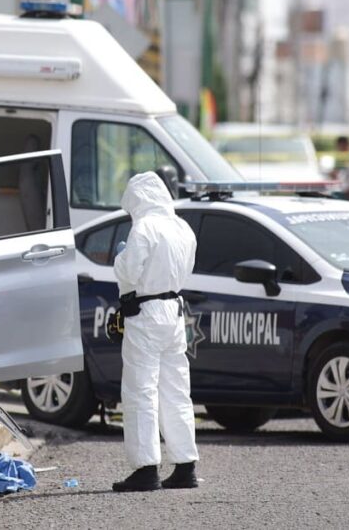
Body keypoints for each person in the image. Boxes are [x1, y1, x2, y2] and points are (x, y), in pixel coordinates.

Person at [112, 172, 199, 492]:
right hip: (175, 311)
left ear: (139, 199)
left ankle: (146, 469)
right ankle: (185, 466)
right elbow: (186, 268)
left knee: (141, 391)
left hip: (146, 313)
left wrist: (120, 257)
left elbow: (129, 271)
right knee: (176, 390)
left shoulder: (145, 226)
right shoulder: (182, 227)